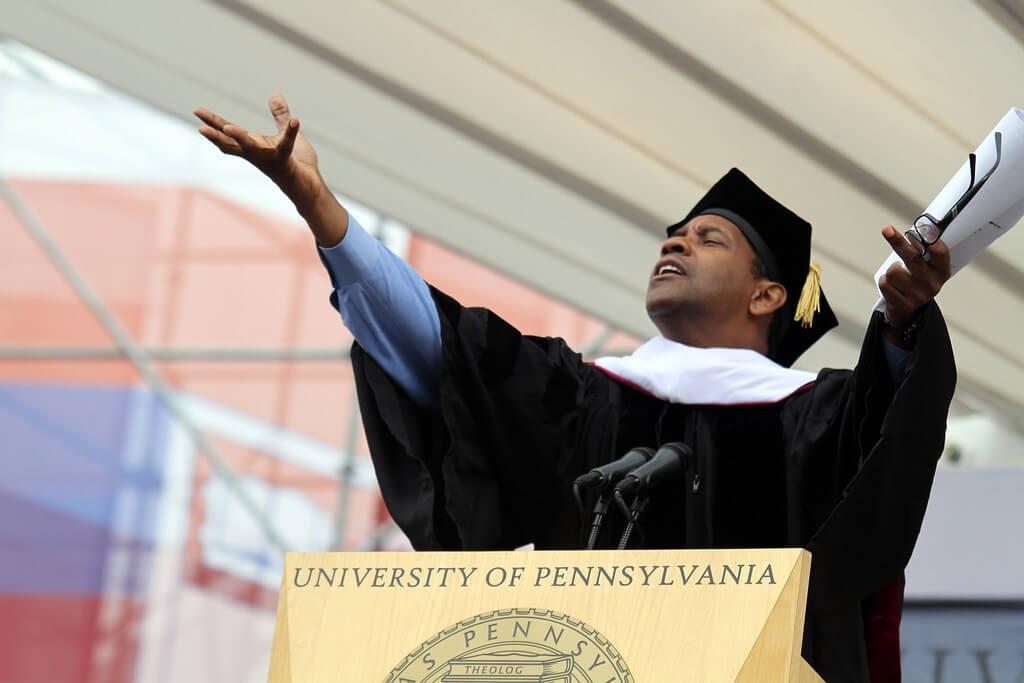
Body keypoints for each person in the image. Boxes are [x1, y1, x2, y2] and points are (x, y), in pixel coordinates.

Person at [194, 95, 955, 682]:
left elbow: (884, 462)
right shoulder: (582, 397)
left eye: (707, 237)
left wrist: (901, 316)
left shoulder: (817, 417)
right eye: (672, 233)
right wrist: (323, 213)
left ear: (766, 297)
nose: (674, 240)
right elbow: (438, 348)